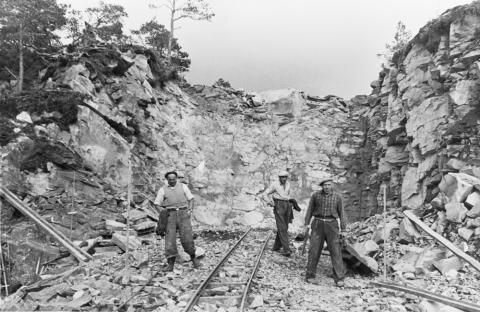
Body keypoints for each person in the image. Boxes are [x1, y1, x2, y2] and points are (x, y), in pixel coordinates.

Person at [304, 178, 347, 287]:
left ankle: (339, 278)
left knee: (336, 251)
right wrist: (306, 225)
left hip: (332, 225)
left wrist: (344, 229)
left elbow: (342, 213)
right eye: (325, 185)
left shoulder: (337, 197)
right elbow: (309, 210)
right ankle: (310, 276)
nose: (327, 187)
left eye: (329, 185)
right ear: (322, 186)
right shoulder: (316, 195)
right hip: (317, 223)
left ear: (332, 185)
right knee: (314, 250)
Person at [154, 171, 200, 271]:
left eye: (174, 179)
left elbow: (191, 199)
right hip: (170, 215)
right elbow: (156, 203)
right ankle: (170, 264)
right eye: (170, 179)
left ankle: (194, 258)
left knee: (187, 238)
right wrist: (162, 213)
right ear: (167, 180)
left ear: (177, 178)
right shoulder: (163, 190)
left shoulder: (183, 186)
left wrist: (190, 210)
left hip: (183, 214)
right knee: (169, 240)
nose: (172, 181)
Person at [263, 170, 301, 257]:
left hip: (287, 205)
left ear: (287, 177)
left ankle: (276, 246)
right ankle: (286, 249)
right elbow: (265, 194)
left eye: (285, 177)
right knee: (282, 227)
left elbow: (287, 195)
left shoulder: (288, 184)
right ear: (279, 178)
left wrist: (291, 203)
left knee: (284, 227)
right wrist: (269, 201)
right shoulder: (275, 184)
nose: (283, 179)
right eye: (282, 177)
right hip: (279, 205)